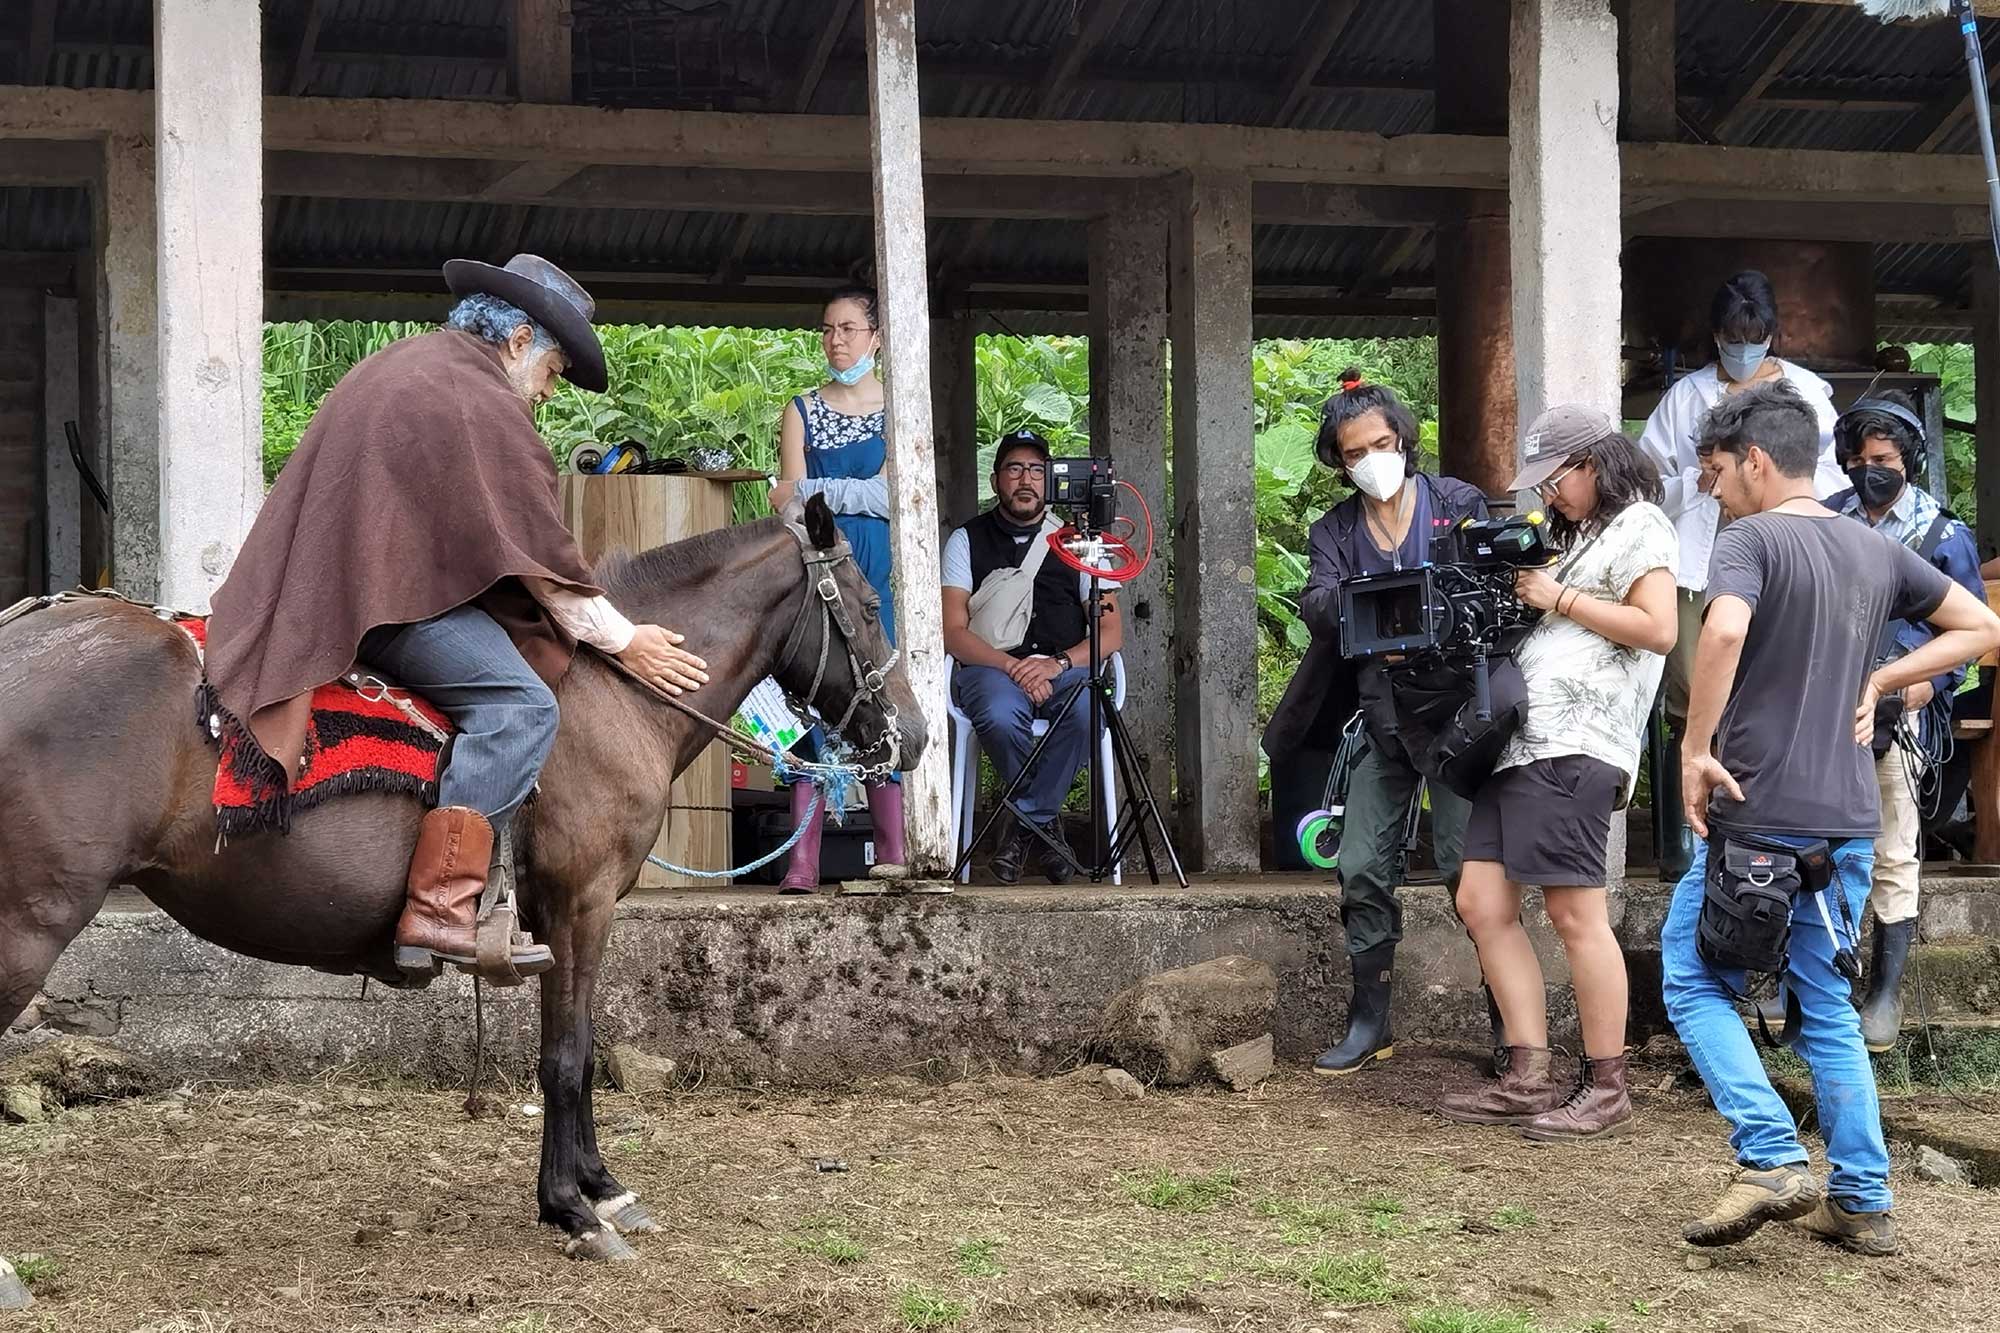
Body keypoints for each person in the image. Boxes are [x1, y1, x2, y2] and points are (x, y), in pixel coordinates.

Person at [205, 254, 710, 978]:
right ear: (516, 342)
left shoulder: (411, 365)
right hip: (381, 606)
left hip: (331, 591)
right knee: (520, 707)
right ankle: (439, 909)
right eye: (553, 372)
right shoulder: (481, 403)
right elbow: (541, 562)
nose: (547, 393)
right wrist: (627, 640)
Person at [1667, 382, 1999, 1257]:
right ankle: (1861, 1198)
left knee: (1692, 978)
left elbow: (1723, 632)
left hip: (1758, 811)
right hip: (1847, 817)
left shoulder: (1752, 538)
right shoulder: (1872, 549)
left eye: (1720, 471)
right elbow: (1979, 623)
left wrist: (1696, 746)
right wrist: (1885, 678)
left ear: (1758, 461)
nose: (1716, 489)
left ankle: (1771, 1154)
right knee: (1826, 1005)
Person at [1437, 406, 1678, 1140]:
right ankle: (1527, 1073)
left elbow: (1659, 628)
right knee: (1480, 900)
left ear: (1594, 464)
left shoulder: (1641, 524)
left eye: (1557, 479)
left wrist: (1557, 597)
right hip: (1522, 743)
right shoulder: (1574, 540)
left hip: (1579, 742)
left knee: (1577, 914)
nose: (1550, 495)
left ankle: (1607, 1084)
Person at [1263, 372, 1491, 1075]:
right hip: (1383, 715)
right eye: (1354, 451)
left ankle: (1511, 1026)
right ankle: (1370, 1022)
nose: (1371, 459)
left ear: (1404, 439)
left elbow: (1487, 590)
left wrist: (1400, 612)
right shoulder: (1333, 529)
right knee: (1360, 864)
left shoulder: (1457, 504)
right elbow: (1319, 603)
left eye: (1382, 443)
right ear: (1338, 459)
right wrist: (1391, 610)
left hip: (1462, 717)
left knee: (1468, 873)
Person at [1824, 391, 1983, 1049]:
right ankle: (1812, 979)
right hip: (1825, 704)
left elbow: (1967, 643)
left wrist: (1922, 683)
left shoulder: (1946, 536)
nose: (1870, 470)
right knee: (1817, 841)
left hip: (1900, 712)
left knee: (1892, 844)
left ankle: (1884, 993)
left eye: (1883, 458)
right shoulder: (1828, 520)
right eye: (1858, 459)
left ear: (1910, 459)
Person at [1637, 270, 1845, 727]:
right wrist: (1694, 482)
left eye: (1755, 339)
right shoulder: (1685, 398)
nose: (1744, 351)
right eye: (1734, 340)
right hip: (1703, 564)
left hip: (1789, 557)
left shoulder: (1807, 393)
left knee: (1783, 674)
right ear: (1716, 337)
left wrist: (1784, 490)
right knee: (1699, 688)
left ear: (1772, 336)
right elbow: (1645, 488)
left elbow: (1836, 476)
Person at [767, 282, 906, 891]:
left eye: (849, 328)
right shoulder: (798, 409)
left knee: (881, 705)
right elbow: (787, 508)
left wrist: (822, 493)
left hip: (872, 575)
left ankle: (894, 854)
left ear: (875, 336)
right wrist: (848, 496)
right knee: (808, 707)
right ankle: (803, 863)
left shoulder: (899, 409)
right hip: (814, 572)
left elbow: (894, 496)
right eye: (828, 328)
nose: (836, 339)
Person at [942, 430, 1119, 883]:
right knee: (999, 716)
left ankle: (1023, 827)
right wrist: (1012, 667)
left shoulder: (1080, 541)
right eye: (1014, 468)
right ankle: (1047, 829)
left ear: (1051, 480)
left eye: (1037, 470)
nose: (1026, 480)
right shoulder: (966, 539)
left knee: (1085, 713)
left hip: (1064, 668)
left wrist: (1056, 664)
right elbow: (952, 631)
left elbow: (1111, 631)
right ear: (995, 479)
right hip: (991, 669)